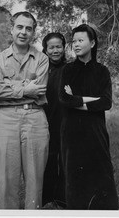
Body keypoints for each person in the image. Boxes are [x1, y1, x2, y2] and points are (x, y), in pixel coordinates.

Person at [0, 11, 50, 209]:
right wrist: (26, 87)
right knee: (7, 178)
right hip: (6, 119)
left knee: (35, 179)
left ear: (33, 32)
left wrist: (11, 86)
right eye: (19, 27)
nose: (23, 32)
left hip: (35, 118)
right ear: (12, 29)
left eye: (29, 28)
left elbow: (39, 90)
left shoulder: (42, 59)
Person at [58, 24, 119, 209]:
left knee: (100, 174)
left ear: (92, 43)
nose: (75, 45)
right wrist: (92, 100)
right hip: (71, 131)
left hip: (95, 130)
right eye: (73, 41)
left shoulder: (102, 71)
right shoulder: (67, 70)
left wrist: (76, 100)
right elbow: (64, 99)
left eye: (80, 40)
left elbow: (106, 103)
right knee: (75, 176)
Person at [41, 33, 67, 208]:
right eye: (52, 47)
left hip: (67, 122)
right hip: (46, 121)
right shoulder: (41, 69)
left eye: (59, 46)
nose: (55, 50)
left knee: (65, 160)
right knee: (48, 160)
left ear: (64, 48)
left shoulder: (71, 68)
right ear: (45, 49)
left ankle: (63, 198)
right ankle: (47, 199)